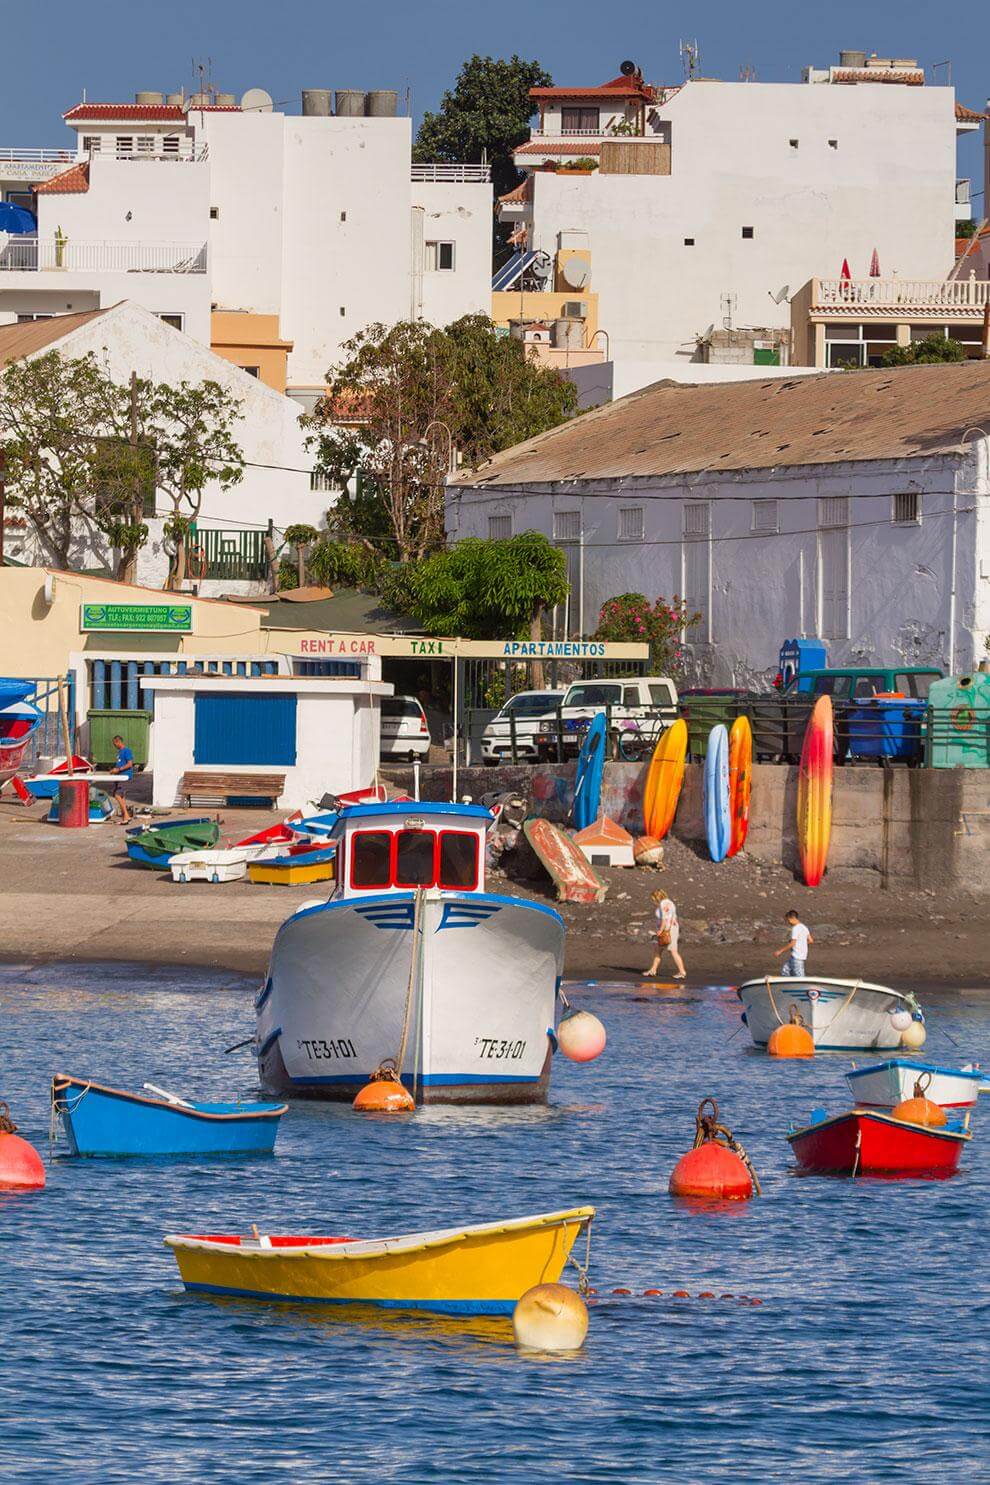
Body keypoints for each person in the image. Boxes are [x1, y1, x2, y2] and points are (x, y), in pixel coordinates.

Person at [646, 888, 686, 980]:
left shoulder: (663, 904)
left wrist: (660, 930)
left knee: (673, 951)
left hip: (668, 930)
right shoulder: (670, 902)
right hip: (672, 928)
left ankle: (682, 972)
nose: (653, 901)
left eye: (653, 899)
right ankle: (653, 970)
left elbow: (664, 919)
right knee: (658, 950)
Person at [774, 910, 812, 977]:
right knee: (785, 971)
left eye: (788, 920)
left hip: (798, 957)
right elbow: (811, 940)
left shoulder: (795, 928)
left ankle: (802, 986)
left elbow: (792, 943)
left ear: (792, 918)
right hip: (794, 957)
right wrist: (801, 944)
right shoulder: (804, 927)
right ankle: (789, 986)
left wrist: (780, 951)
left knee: (800, 977)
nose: (788, 922)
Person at [109, 733, 134, 824]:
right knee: (121, 796)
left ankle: (126, 815)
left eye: (114, 744)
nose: (114, 746)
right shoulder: (119, 752)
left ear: (118, 742)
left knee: (117, 795)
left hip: (125, 776)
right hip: (119, 776)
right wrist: (114, 770)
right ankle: (125, 817)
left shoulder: (126, 751)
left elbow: (130, 764)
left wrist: (119, 769)